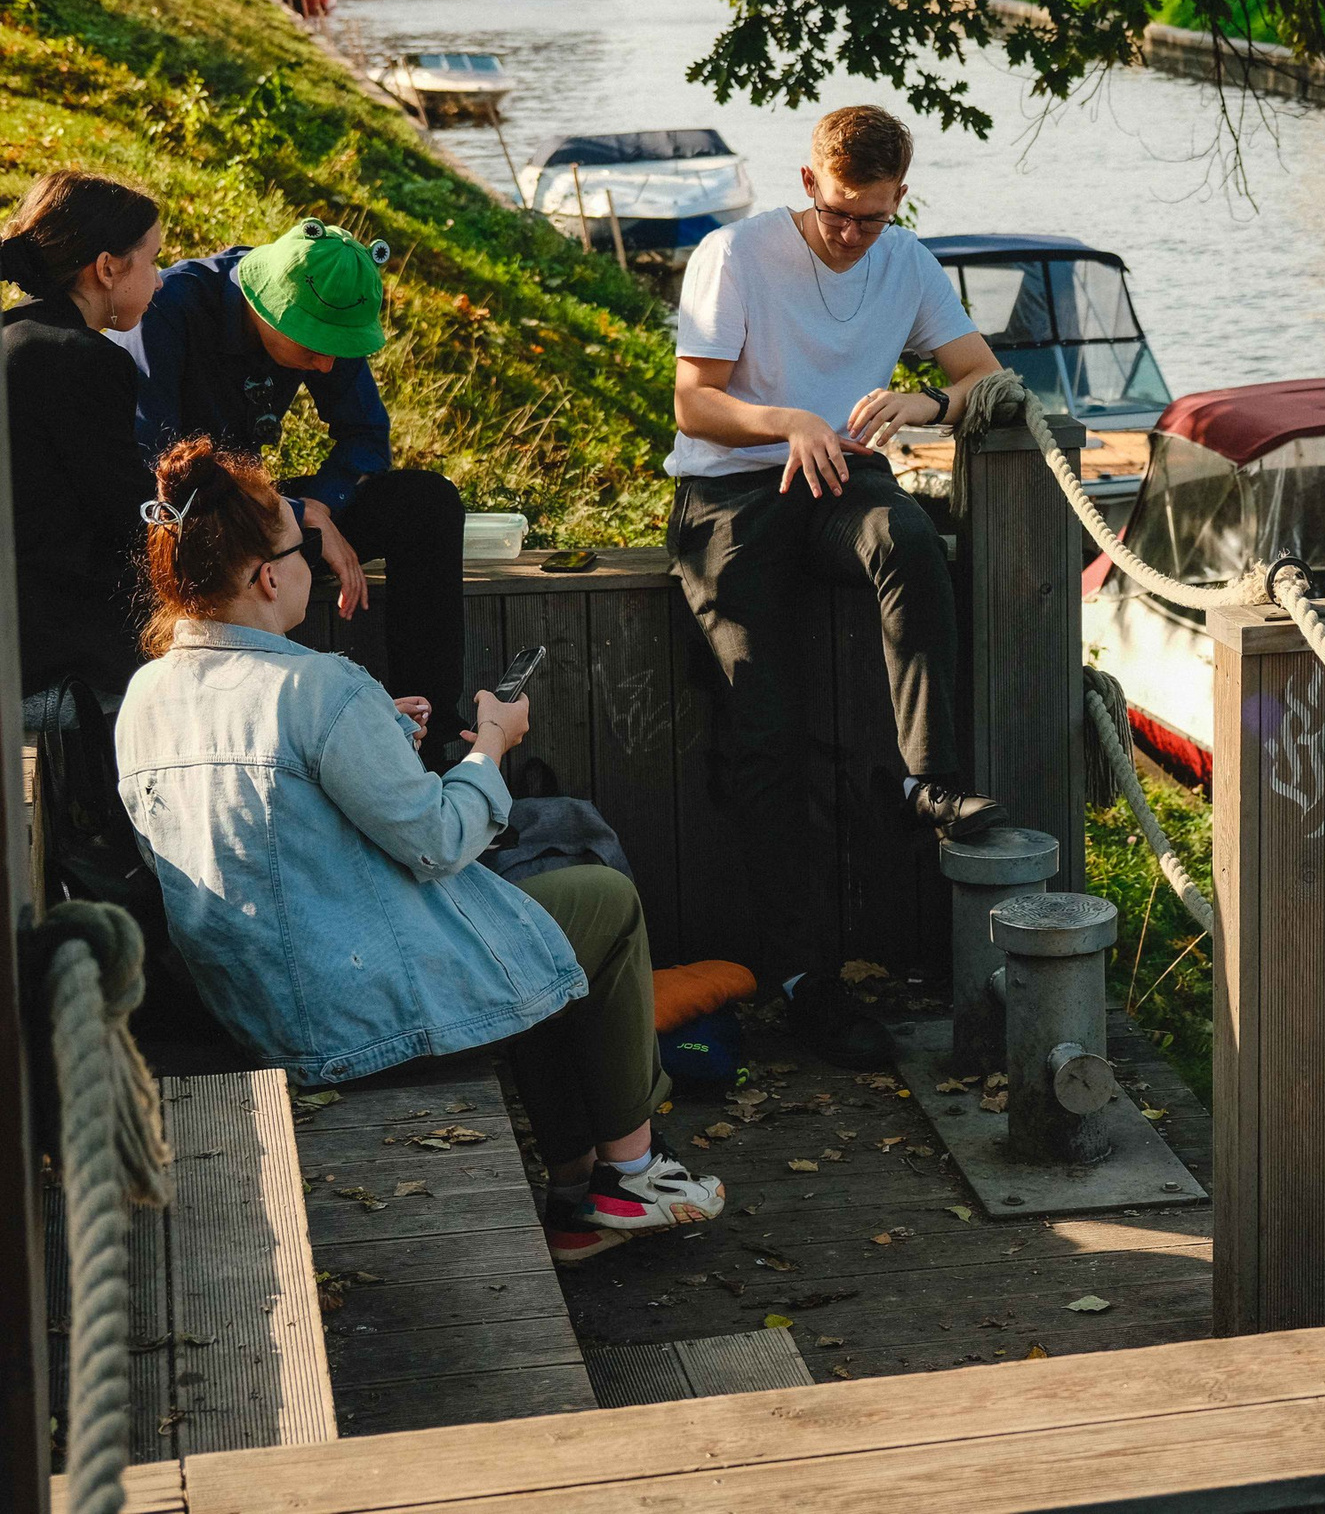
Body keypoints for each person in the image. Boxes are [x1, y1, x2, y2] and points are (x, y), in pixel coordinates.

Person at [113, 438, 722, 1265]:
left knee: (528, 923)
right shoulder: (318, 688)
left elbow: (238, 835)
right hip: (351, 1015)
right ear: (267, 577)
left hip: (252, 1002)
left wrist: (377, 739)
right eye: (302, 551)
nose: (314, 568)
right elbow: (439, 839)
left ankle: (580, 1199)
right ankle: (632, 1170)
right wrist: (492, 747)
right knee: (600, 904)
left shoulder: (145, 695)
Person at [666, 104, 1005, 1066]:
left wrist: (924, 399)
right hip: (732, 490)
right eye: (842, 214)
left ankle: (929, 780)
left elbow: (982, 376)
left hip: (842, 482)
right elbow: (695, 399)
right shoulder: (733, 253)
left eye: (876, 216)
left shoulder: (905, 260)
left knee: (909, 541)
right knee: (763, 731)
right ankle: (803, 978)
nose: (855, 236)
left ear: (901, 197)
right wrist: (786, 421)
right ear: (809, 185)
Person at [127, 219, 468, 758]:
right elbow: (152, 465)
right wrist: (291, 510)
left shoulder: (327, 314)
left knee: (427, 503)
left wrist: (320, 505)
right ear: (265, 308)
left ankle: (436, 741)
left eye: (341, 349)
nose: (328, 364)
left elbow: (367, 439)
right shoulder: (171, 309)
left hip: (265, 516)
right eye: (314, 349)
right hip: (184, 516)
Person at [1, 171, 162, 706]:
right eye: (154, 259)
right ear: (108, 267)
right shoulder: (81, 360)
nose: (160, 281)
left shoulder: (14, 337)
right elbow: (125, 517)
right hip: (46, 632)